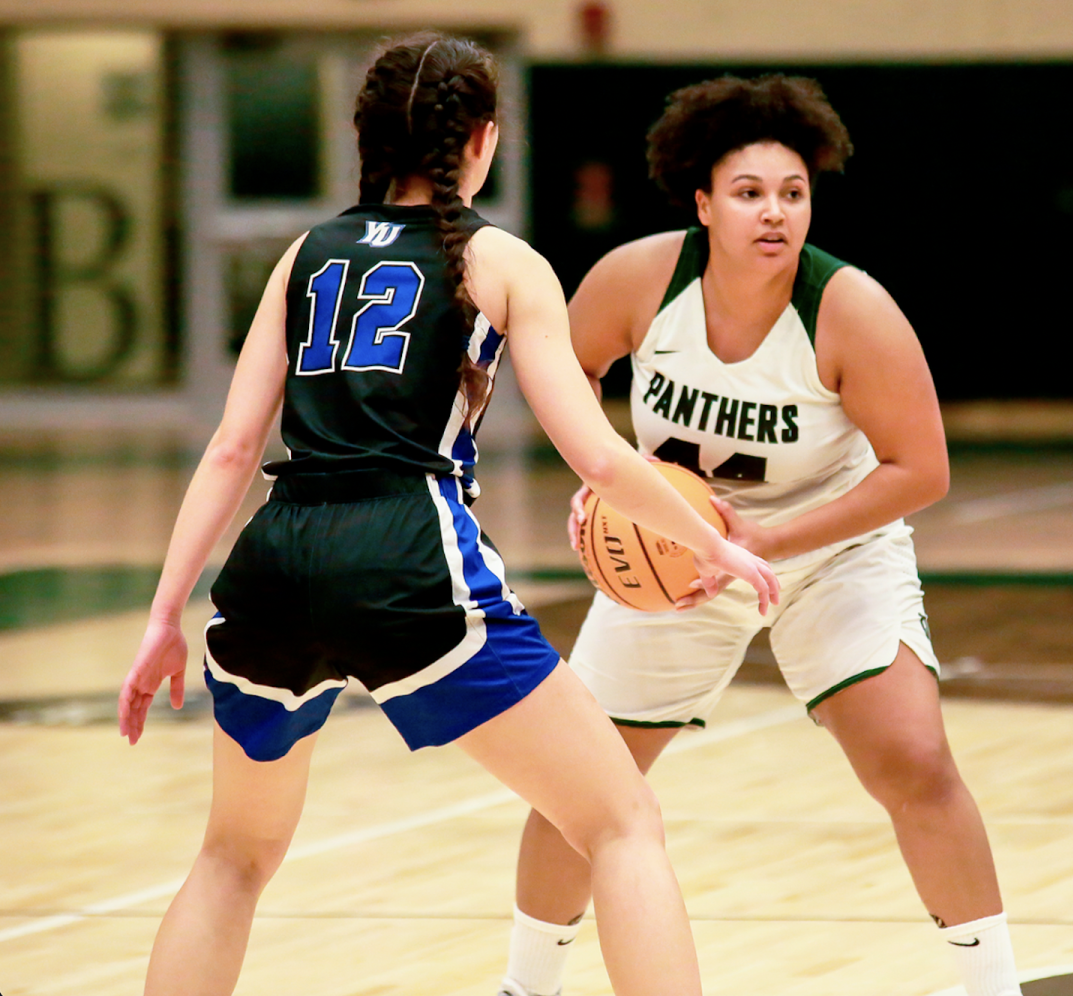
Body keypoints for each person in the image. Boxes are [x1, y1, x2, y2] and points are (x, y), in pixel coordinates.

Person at [118, 34, 779, 996]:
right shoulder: (498, 258)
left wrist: (160, 616)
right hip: (407, 550)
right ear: (481, 138)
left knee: (232, 857)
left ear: (365, 136)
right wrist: (713, 540)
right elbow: (595, 452)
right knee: (620, 822)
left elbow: (229, 448)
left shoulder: (305, 253)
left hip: (275, 559)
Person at [499, 75, 1023, 996]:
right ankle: (524, 985)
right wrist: (604, 479)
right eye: (749, 193)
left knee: (915, 760)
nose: (774, 213)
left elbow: (922, 472)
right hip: (672, 553)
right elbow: (563, 371)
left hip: (828, 551)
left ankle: (993, 986)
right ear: (703, 204)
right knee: (583, 785)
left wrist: (766, 545)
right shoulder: (638, 279)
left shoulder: (852, 309)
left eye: (793, 193)